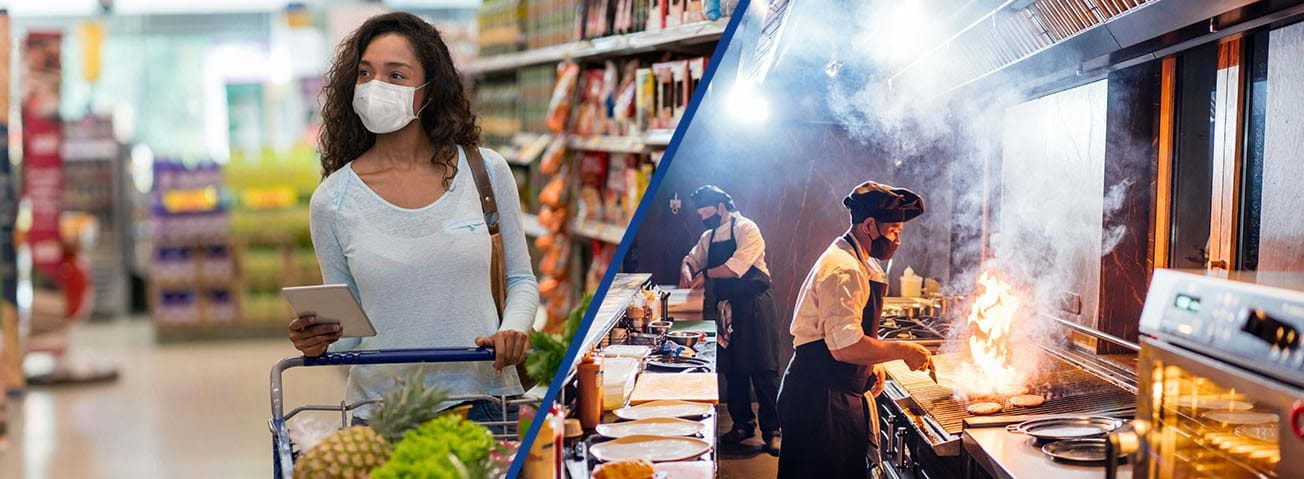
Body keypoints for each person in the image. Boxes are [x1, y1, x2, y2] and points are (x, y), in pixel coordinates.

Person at [285, 12, 537, 426]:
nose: (375, 87)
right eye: (365, 74)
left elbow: (520, 280)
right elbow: (349, 329)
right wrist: (317, 342)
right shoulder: (333, 201)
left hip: (484, 402)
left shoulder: (486, 172)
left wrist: (514, 329)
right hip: (383, 413)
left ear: (429, 90)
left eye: (395, 76)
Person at [776, 181, 933, 478]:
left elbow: (843, 333)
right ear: (870, 225)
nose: (898, 240)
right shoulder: (844, 268)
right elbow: (844, 347)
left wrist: (870, 363)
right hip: (820, 400)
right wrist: (902, 350)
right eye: (894, 231)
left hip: (831, 392)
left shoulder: (855, 259)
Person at [678, 185, 783, 456]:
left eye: (706, 213)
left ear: (721, 207)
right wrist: (687, 269)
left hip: (754, 306)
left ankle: (773, 430)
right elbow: (691, 258)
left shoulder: (747, 229)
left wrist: (707, 275)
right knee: (733, 369)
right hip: (726, 308)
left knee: (764, 370)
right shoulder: (709, 236)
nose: (703, 218)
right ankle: (742, 424)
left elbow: (736, 268)